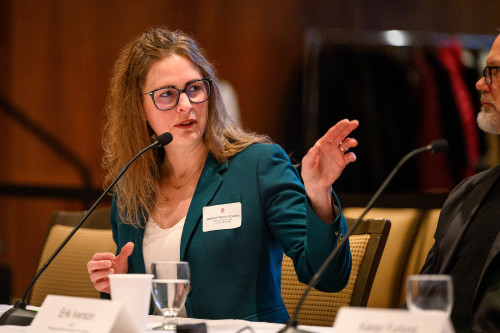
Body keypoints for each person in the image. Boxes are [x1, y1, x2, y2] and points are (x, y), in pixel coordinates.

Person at [87, 27, 359, 323]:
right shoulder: (132, 188)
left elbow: (327, 277)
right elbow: (134, 315)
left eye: (194, 88)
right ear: (139, 108)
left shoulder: (258, 165)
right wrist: (117, 283)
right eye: (166, 94)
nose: (186, 105)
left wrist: (318, 195)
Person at [419, 33, 500, 333]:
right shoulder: (467, 194)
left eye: (495, 71)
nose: (480, 84)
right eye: (484, 72)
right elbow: (423, 307)